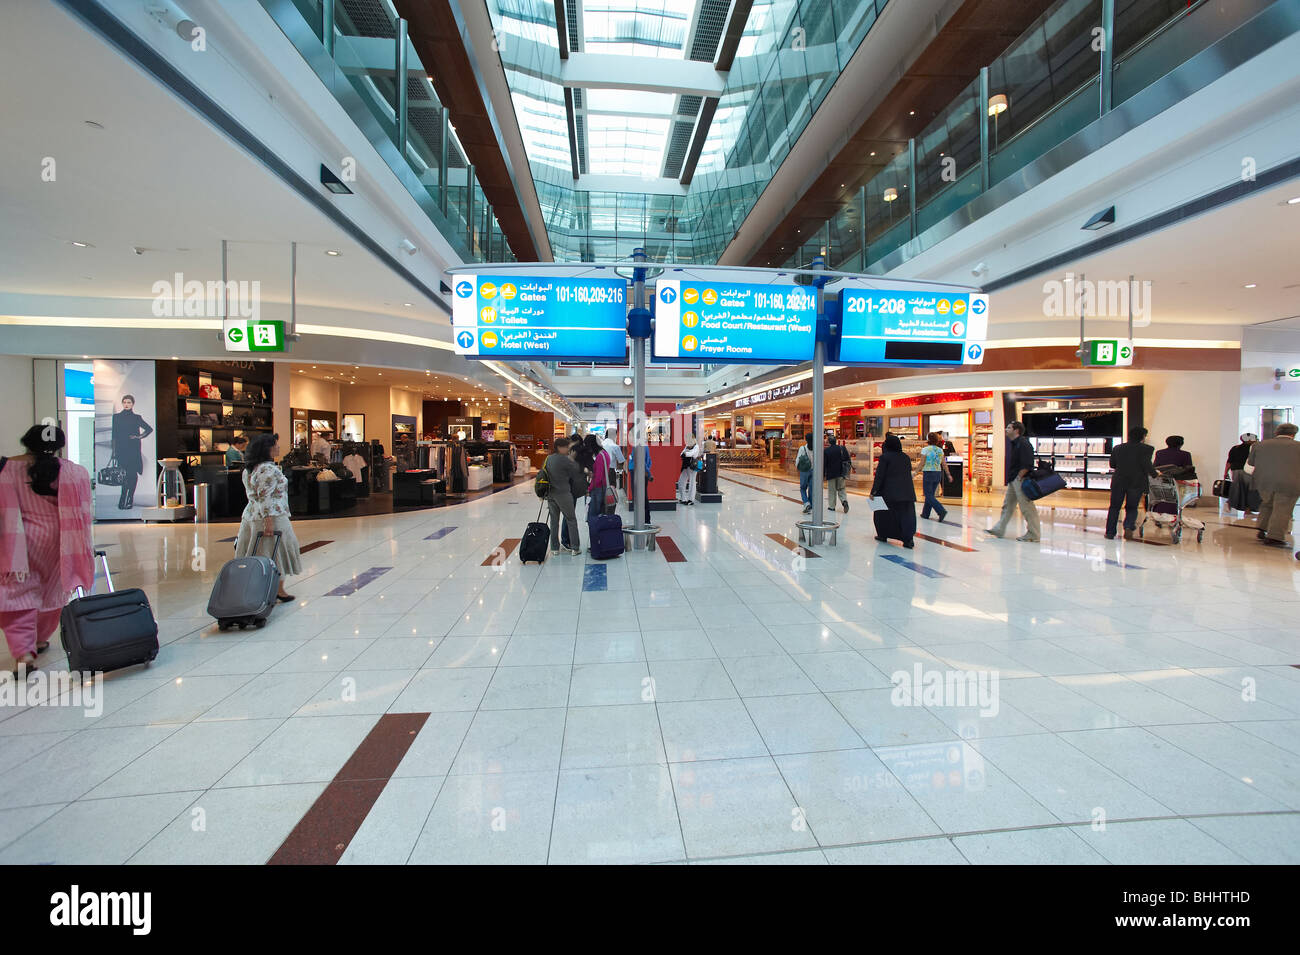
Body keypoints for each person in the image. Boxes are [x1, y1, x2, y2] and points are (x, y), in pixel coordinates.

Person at [0, 425, 94, 673]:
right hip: (62, 542)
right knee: (52, 591)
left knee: (18, 595)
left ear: (26, 442)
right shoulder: (72, 470)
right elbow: (85, 510)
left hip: (20, 540)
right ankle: (41, 639)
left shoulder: (7, 468)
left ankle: (24, 655)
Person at [235, 434, 302, 601]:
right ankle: (277, 589)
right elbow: (265, 497)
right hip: (272, 515)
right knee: (274, 552)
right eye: (275, 445)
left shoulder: (249, 470)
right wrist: (269, 522)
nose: (278, 448)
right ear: (267, 449)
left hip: (251, 515)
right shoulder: (268, 470)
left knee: (257, 551)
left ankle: (262, 587)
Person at [1245, 422, 1300, 547]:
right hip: (1289, 483)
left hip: (1263, 481)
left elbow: (1251, 463)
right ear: (1293, 434)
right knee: (1282, 509)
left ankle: (1262, 529)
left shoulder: (1259, 445)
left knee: (1267, 504)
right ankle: (1274, 537)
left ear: (1276, 433)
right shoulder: (1298, 446)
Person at [987, 421, 1040, 542]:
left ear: (1016, 430)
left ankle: (1034, 534)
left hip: (1020, 479)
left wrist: (1019, 477)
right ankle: (999, 528)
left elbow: (1027, 464)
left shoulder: (1023, 443)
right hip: (1014, 479)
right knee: (1008, 505)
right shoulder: (1015, 443)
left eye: (1009, 428)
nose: (1006, 429)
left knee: (1026, 507)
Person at [1106, 426, 1157, 540]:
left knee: (1114, 507)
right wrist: (1155, 474)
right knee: (1132, 507)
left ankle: (1110, 532)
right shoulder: (1147, 449)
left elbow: (1112, 465)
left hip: (1119, 481)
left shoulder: (1118, 448)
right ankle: (1128, 526)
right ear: (1143, 437)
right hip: (1136, 482)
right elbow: (1146, 464)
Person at [870, 433, 917, 548]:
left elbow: (879, 476)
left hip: (887, 492)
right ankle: (908, 539)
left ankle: (883, 534)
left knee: (882, 515)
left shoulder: (885, 457)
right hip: (906, 492)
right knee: (906, 517)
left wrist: (873, 491)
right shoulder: (905, 457)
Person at [542, 436, 585, 555]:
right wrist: (572, 458)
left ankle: (554, 548)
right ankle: (575, 548)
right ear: (559, 447)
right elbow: (576, 471)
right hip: (564, 494)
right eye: (566, 447)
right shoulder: (565, 459)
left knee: (554, 521)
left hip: (551, 494)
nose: (567, 449)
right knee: (571, 519)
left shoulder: (548, 458)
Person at [110, 393, 153, 510]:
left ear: (133, 404)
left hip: (133, 450)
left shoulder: (137, 417)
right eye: (124, 402)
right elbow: (114, 435)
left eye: (129, 402)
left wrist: (139, 437)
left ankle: (129, 499)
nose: (126, 404)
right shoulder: (116, 417)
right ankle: (123, 499)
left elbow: (149, 429)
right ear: (122, 403)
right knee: (123, 475)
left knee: (132, 475)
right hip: (121, 450)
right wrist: (113, 452)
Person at [1225, 433, 1260, 514]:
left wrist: (1225, 472)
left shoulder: (1235, 448)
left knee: (1238, 489)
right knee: (1249, 490)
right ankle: (1247, 509)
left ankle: (1230, 503)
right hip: (1248, 471)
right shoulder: (1254, 448)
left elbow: (1229, 462)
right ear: (1250, 440)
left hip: (1235, 471)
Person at [584, 434, 614, 523]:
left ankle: (594, 535)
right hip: (602, 487)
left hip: (598, 489)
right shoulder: (604, 453)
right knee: (600, 514)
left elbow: (598, 478)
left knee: (592, 516)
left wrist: (589, 489)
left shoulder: (600, 456)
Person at [919, 432, 948, 522]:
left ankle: (941, 510)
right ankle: (925, 514)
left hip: (928, 473)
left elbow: (922, 463)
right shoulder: (940, 450)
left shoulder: (925, 449)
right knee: (930, 494)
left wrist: (915, 472)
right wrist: (948, 474)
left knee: (928, 495)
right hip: (937, 473)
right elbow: (944, 464)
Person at [625, 438, 654, 526]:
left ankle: (643, 520)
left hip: (638, 473)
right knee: (643, 496)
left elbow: (641, 461)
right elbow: (649, 461)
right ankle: (646, 520)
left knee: (639, 497)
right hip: (640, 472)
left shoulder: (639, 446)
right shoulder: (645, 446)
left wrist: (648, 473)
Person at [824, 434, 852, 513]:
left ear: (829, 441)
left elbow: (824, 464)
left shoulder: (826, 451)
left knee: (832, 490)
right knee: (841, 488)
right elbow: (847, 459)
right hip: (841, 472)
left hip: (831, 474)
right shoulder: (842, 448)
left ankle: (832, 507)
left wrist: (823, 474)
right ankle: (844, 501)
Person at [677, 434, 702, 505]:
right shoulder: (687, 446)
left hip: (692, 466)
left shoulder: (696, 446)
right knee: (681, 482)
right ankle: (683, 498)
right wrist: (685, 453)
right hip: (685, 466)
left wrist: (685, 453)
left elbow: (692, 454)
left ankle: (691, 500)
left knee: (692, 483)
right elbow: (681, 454)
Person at [796, 433, 814, 513]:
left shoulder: (802, 448)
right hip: (813, 470)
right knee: (811, 488)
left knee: (803, 488)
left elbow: (798, 460)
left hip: (804, 471)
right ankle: (811, 504)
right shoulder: (816, 448)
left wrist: (797, 467)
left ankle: (806, 503)